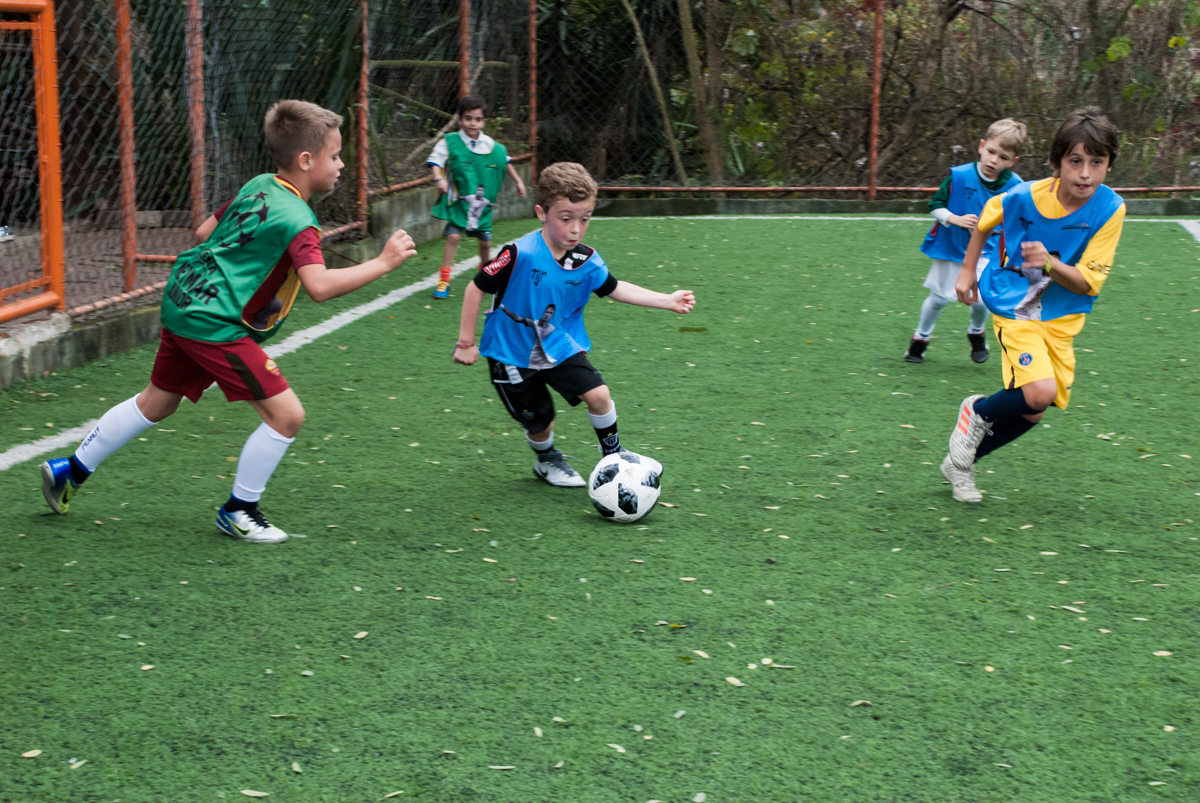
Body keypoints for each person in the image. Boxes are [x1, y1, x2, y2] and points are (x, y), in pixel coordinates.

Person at [39, 100, 418, 542]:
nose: (341, 165)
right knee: (287, 417)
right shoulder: (300, 220)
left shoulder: (260, 184)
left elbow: (205, 233)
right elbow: (319, 286)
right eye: (334, 156)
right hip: (213, 323)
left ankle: (69, 471)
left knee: (157, 402)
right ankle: (240, 511)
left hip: (184, 300)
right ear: (306, 160)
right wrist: (383, 262)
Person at [451, 162, 695, 487]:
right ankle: (546, 459)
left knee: (599, 395)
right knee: (541, 422)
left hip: (557, 344)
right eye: (566, 219)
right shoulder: (519, 254)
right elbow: (476, 288)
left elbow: (614, 287)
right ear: (542, 213)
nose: (576, 229)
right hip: (511, 353)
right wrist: (466, 342)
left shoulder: (586, 260)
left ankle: (614, 458)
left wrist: (667, 300)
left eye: (585, 218)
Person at [941, 107, 1126, 502]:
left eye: (1097, 162)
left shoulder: (1111, 208)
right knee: (1039, 391)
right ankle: (977, 411)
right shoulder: (1024, 196)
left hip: (1063, 315)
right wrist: (967, 271)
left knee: (1034, 409)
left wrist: (1050, 263)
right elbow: (986, 220)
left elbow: (1087, 282)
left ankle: (961, 465)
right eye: (1075, 161)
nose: (1085, 174)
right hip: (1014, 301)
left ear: (1109, 164)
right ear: (1057, 162)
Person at [905, 119, 1026, 364]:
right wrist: (955, 219)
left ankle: (976, 332)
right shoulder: (959, 176)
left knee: (982, 299)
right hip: (953, 248)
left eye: (1003, 157)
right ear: (981, 146)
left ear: (1012, 162)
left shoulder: (1017, 186)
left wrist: (1001, 231)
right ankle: (920, 338)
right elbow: (935, 206)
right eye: (991, 151)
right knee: (938, 299)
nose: (994, 160)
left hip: (987, 252)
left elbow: (1021, 220)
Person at [428, 95, 527, 299]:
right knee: (453, 237)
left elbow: (505, 160)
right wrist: (438, 179)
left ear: (484, 122)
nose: (472, 123)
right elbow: (436, 161)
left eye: (477, 119)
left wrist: (518, 181)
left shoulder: (491, 146)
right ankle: (444, 279)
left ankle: (485, 274)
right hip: (458, 202)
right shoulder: (449, 142)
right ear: (460, 119)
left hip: (480, 209)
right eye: (468, 118)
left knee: (485, 243)